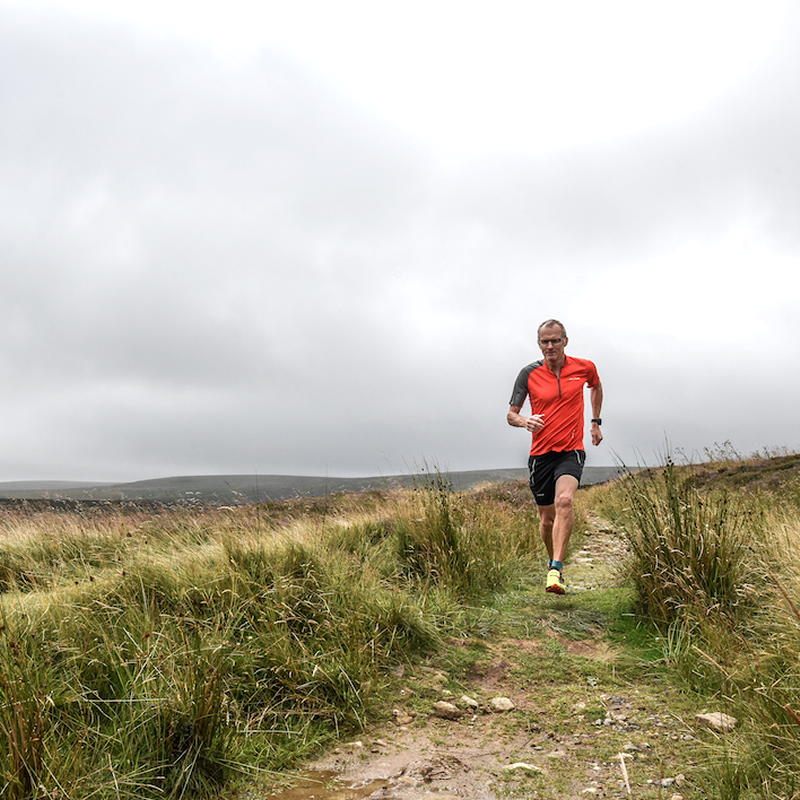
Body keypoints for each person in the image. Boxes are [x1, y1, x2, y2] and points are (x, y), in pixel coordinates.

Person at [507, 319, 603, 594]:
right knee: (547, 520)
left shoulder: (584, 367)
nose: (550, 346)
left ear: (565, 341)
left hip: (571, 450)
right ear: (539, 344)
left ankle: (556, 569)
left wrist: (595, 422)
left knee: (565, 501)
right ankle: (552, 561)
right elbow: (511, 415)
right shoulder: (528, 374)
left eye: (555, 340)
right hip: (541, 455)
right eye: (544, 341)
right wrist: (525, 421)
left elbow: (596, 386)